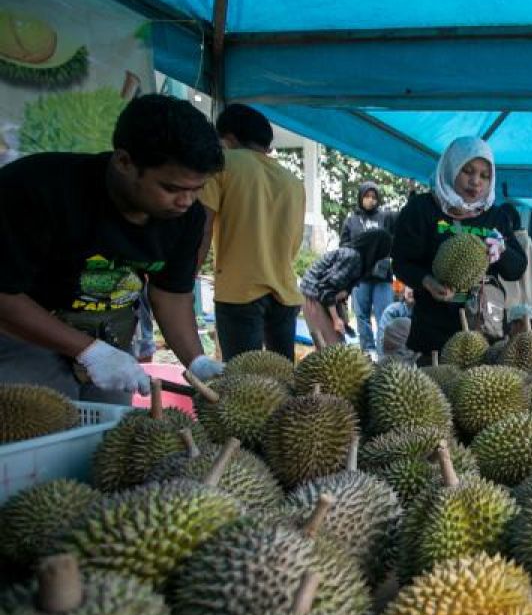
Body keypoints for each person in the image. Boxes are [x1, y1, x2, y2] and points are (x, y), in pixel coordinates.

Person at [0, 94, 225, 403]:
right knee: (43, 429)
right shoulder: (35, 189)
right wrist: (88, 351)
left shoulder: (186, 218)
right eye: (171, 188)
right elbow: (4, 294)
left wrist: (196, 361)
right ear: (124, 163)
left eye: (196, 190)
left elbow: (171, 294)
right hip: (21, 336)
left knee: (109, 436)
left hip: (109, 336)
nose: (185, 202)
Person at [391, 136, 527, 362]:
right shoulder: (422, 209)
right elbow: (402, 263)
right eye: (468, 171)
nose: (476, 182)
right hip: (434, 335)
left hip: (484, 335)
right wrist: (428, 282)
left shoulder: (495, 216)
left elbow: (516, 269)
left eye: (485, 176)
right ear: (451, 168)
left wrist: (502, 250)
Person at [199, 103, 305, 361]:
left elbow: (201, 228)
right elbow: (294, 244)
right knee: (284, 381)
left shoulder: (222, 164)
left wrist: (186, 275)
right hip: (285, 292)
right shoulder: (293, 182)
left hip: (239, 290)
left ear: (229, 138)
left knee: (242, 383)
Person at [299, 228, 394, 348]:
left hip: (326, 298)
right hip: (313, 297)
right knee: (330, 347)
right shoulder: (352, 257)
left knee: (339, 344)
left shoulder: (361, 262)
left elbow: (339, 289)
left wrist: (341, 315)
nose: (386, 257)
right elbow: (326, 288)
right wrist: (335, 319)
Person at [340, 180, 393, 358]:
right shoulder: (351, 221)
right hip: (360, 277)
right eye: (367, 196)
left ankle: (383, 353)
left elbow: (395, 239)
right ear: (360, 197)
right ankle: (368, 351)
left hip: (382, 276)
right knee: (361, 315)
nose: (371, 200)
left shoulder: (385, 217)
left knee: (384, 316)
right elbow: (344, 247)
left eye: (374, 196)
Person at [494, 202, 532, 330]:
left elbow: (529, 276)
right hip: (504, 303)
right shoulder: (498, 239)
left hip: (515, 306)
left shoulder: (522, 240)